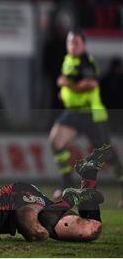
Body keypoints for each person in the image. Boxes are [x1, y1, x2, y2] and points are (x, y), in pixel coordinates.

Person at [48, 29, 123, 203]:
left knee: (107, 154)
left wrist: (68, 86)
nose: (72, 46)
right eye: (70, 42)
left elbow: (89, 84)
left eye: (76, 42)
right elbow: (71, 83)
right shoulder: (68, 60)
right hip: (73, 112)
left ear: (83, 45)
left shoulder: (86, 61)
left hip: (91, 113)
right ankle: (66, 184)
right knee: (55, 141)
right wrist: (65, 93)